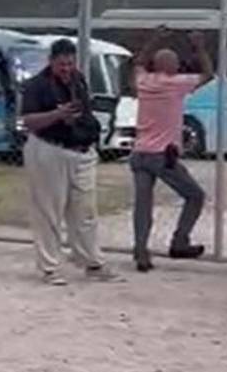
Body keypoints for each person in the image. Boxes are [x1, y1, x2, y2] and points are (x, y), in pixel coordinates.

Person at [20, 38, 122, 286]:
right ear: (51, 61)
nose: (66, 69)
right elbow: (29, 121)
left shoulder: (78, 80)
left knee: (85, 210)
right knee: (49, 211)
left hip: (81, 150)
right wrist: (57, 115)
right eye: (61, 64)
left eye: (70, 63)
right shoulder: (37, 85)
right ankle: (49, 267)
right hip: (49, 149)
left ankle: (92, 262)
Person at [128, 27, 214, 272]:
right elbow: (208, 74)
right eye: (176, 63)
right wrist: (199, 48)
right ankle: (179, 241)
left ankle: (141, 250)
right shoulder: (176, 84)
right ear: (170, 66)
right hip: (163, 155)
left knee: (143, 205)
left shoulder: (144, 81)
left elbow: (138, 62)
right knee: (194, 196)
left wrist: (153, 40)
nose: (179, 65)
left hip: (140, 152)